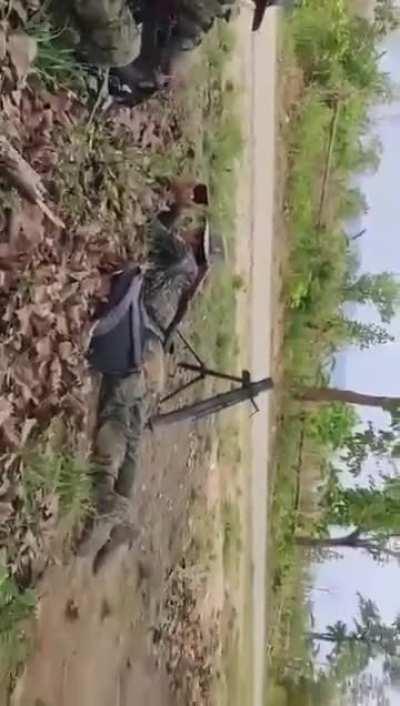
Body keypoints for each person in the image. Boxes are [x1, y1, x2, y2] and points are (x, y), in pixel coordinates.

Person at [79, 180, 211, 571]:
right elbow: (160, 234)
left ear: (194, 238)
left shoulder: (178, 258)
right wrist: (177, 211)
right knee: (133, 438)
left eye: (192, 228)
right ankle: (122, 522)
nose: (187, 229)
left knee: (112, 419)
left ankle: (105, 503)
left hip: (139, 348)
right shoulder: (188, 274)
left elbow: (143, 228)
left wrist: (176, 204)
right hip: (155, 361)